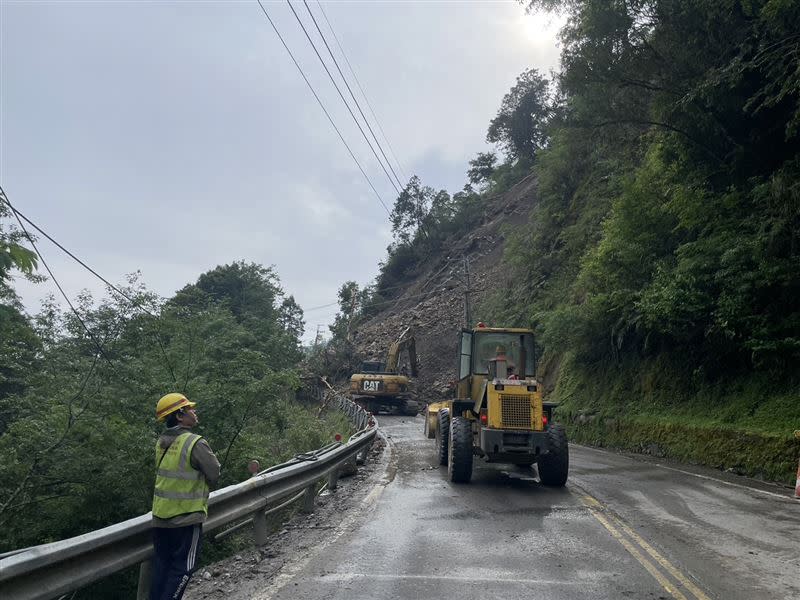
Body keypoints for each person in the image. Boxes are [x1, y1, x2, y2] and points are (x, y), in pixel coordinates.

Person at [150, 393, 220, 600]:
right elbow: (214, 473)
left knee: (162, 568)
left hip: (160, 518)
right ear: (180, 416)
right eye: (190, 409)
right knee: (184, 569)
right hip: (186, 518)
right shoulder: (194, 442)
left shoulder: (161, 442)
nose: (194, 412)